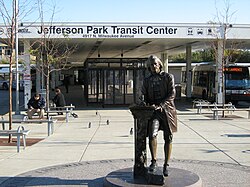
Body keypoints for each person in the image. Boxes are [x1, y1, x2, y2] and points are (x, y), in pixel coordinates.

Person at [141, 55, 177, 176]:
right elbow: (144, 95)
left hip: (167, 112)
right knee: (152, 135)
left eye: (155, 64)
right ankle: (154, 161)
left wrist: (162, 105)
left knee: (168, 137)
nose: (153, 66)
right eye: (151, 65)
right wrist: (142, 101)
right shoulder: (147, 80)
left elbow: (172, 94)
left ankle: (166, 165)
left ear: (160, 64)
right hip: (154, 112)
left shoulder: (168, 77)